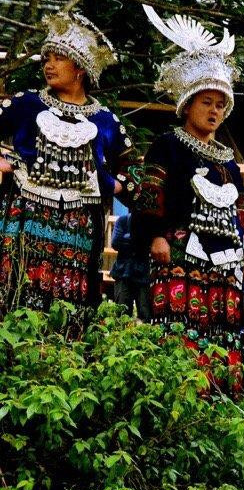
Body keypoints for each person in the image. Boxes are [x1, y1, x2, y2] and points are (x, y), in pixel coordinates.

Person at [134, 12, 244, 393]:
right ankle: (178, 398)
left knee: (223, 330)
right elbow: (151, 192)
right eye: (207, 102)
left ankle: (219, 401)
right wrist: (156, 235)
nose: (214, 111)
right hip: (181, 252)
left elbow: (239, 215)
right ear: (188, 105)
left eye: (221, 104)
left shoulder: (228, 161)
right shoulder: (168, 145)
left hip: (226, 262)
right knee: (180, 325)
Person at [0, 11, 134, 321]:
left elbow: (135, 173)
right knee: (16, 294)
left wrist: (113, 184)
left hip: (80, 228)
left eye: (59, 58)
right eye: (46, 59)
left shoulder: (106, 121)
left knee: (69, 309)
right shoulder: (26, 104)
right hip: (24, 218)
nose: (48, 65)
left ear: (80, 69)